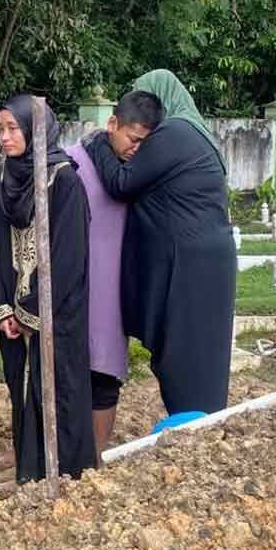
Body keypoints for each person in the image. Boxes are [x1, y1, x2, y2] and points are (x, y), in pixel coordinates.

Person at [84, 69, 235, 415]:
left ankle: (194, 421)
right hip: (202, 260)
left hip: (190, 265)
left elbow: (121, 183)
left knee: (185, 350)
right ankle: (198, 420)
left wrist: (99, 143)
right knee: (197, 349)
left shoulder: (175, 132)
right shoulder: (193, 134)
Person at [0, 94, 96, 486]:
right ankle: (29, 474)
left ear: (36, 131)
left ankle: (67, 477)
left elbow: (69, 258)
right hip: (17, 313)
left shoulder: (64, 181)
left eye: (12, 128)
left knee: (57, 392)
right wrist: (3, 308)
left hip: (58, 313)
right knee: (22, 392)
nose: (4, 137)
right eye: (1, 129)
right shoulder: (6, 180)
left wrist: (31, 312)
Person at [65, 90, 164, 460]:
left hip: (113, 292)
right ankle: (47, 452)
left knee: (105, 376)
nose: (136, 149)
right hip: (70, 287)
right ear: (112, 124)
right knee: (60, 373)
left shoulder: (140, 174)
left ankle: (95, 457)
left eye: (144, 143)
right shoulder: (72, 163)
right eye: (132, 139)